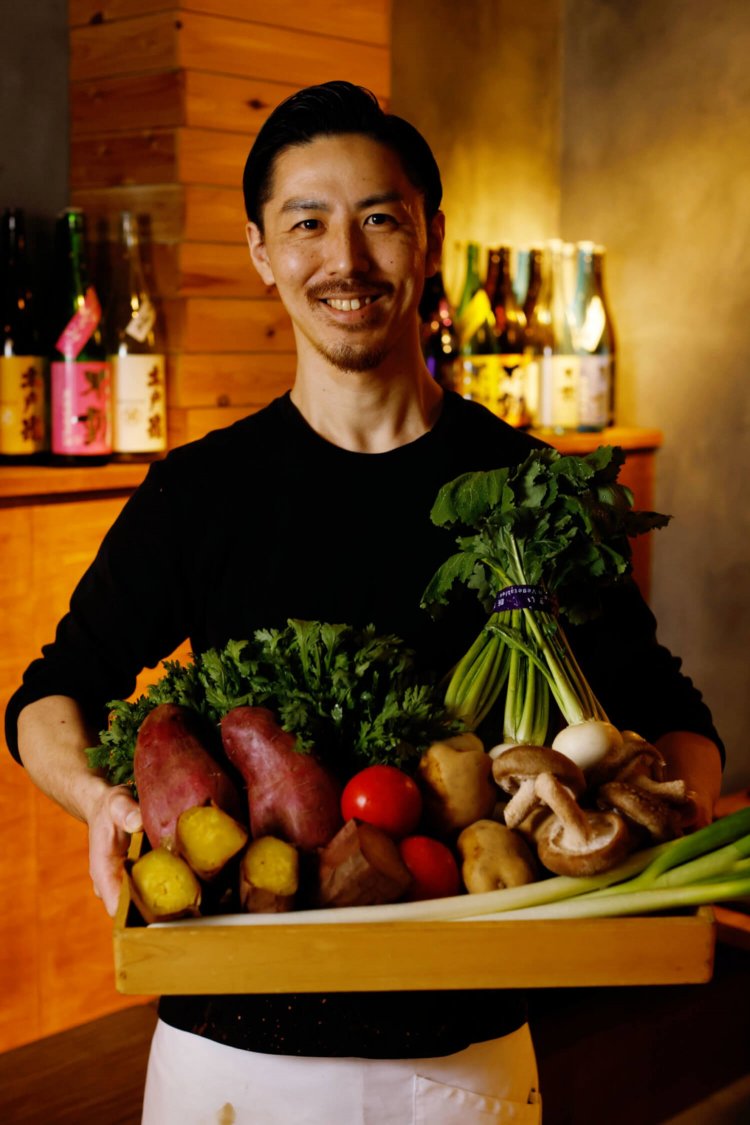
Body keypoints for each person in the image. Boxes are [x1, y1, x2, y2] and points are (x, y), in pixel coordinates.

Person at [5, 81, 723, 1124]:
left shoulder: (531, 491)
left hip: (461, 1064)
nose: (345, 260)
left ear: (431, 240)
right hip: (227, 1059)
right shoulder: (200, 493)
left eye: (380, 218)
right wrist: (97, 799)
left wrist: (665, 817)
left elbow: (672, 713)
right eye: (307, 223)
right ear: (261, 253)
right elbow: (51, 690)